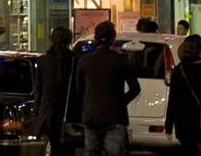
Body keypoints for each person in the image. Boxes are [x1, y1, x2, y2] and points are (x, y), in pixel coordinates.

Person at [70, 21, 140, 156]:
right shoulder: (121, 60)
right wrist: (121, 101)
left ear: (96, 38)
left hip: (91, 114)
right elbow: (135, 88)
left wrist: (87, 102)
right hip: (115, 115)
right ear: (112, 39)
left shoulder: (84, 61)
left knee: (91, 152)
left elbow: (79, 89)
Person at [35, 27, 76, 156]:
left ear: (51, 40)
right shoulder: (74, 60)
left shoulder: (43, 61)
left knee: (54, 147)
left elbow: (39, 90)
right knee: (68, 148)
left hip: (48, 112)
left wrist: (38, 111)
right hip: (68, 112)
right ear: (70, 40)